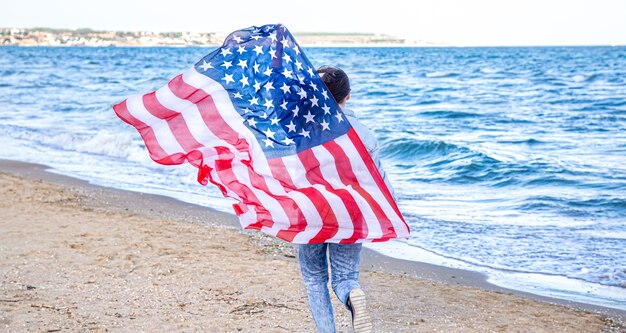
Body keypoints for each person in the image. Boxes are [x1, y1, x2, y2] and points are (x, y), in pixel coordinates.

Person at [298, 66, 395, 333]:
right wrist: (391, 213)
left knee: (315, 279)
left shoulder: (303, 130)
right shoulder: (364, 133)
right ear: (348, 96)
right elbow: (378, 179)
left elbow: (291, 174)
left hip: (314, 208)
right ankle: (352, 294)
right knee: (345, 277)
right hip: (351, 212)